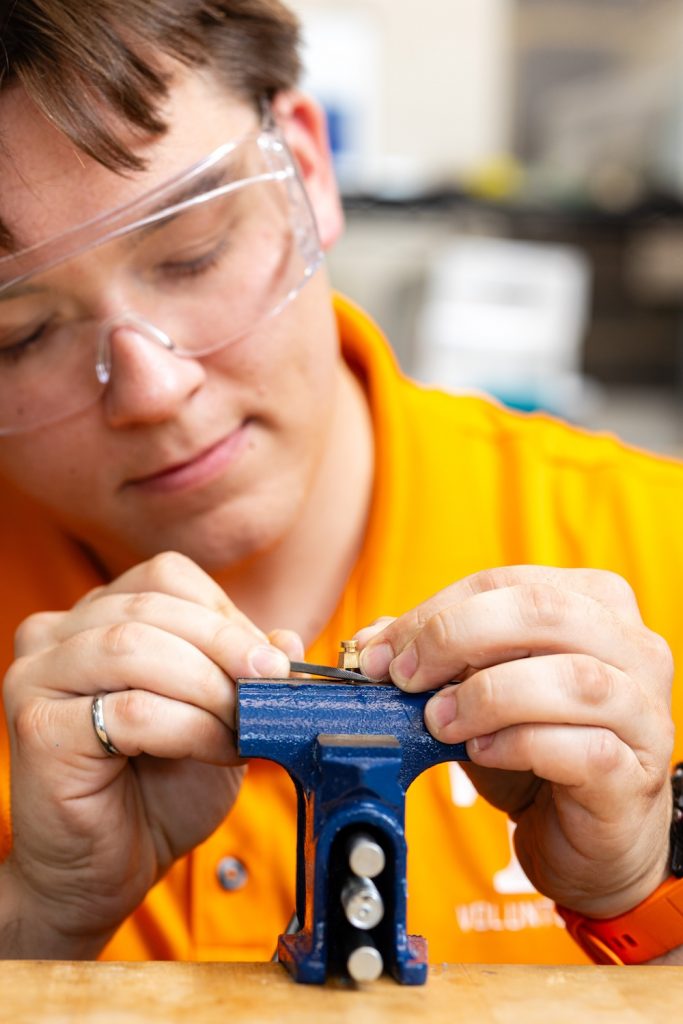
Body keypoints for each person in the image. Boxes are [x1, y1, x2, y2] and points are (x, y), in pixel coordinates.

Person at [0, 0, 681, 967]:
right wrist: (36, 917)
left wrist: (640, 897)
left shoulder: (660, 546)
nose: (152, 388)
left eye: (192, 254)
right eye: (20, 335)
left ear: (309, 173)